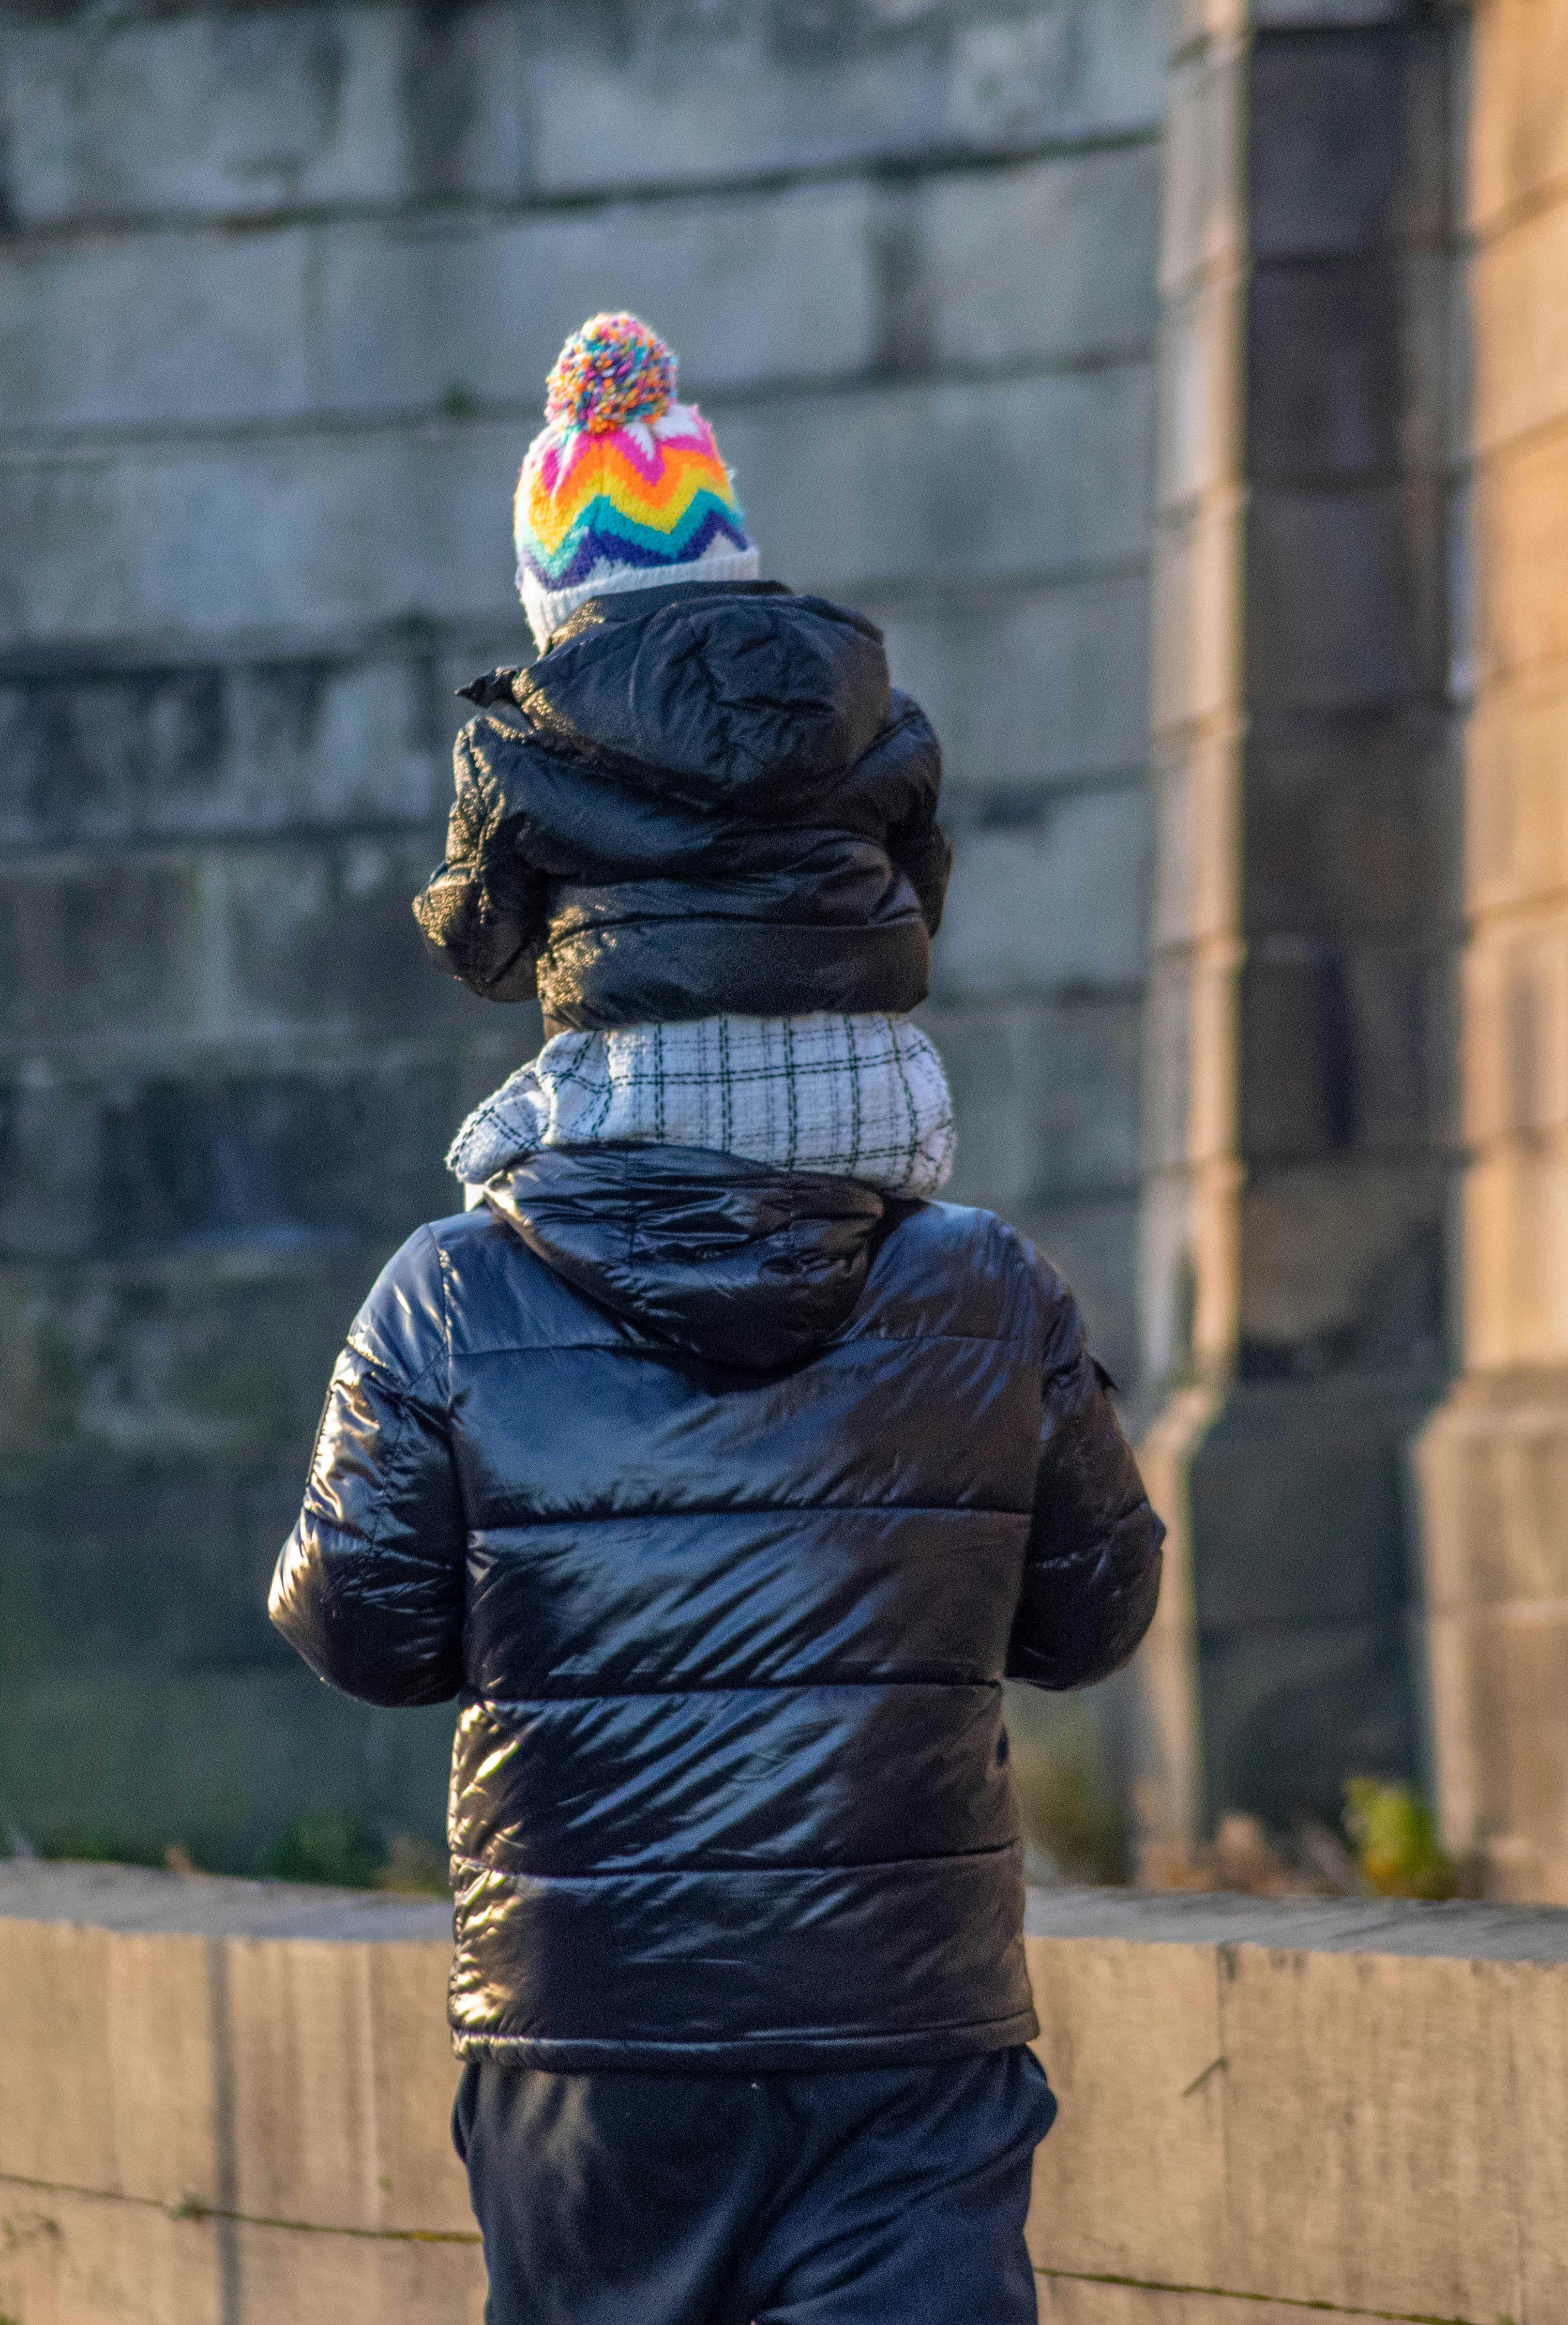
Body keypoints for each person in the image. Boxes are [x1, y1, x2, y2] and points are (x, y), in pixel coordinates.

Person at [270, 313, 1163, 2325]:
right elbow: (1092, 1617)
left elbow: (361, 1633)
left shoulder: (450, 1300)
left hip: (592, 2040)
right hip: (907, 2035)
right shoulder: (985, 1291)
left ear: (566, 911)